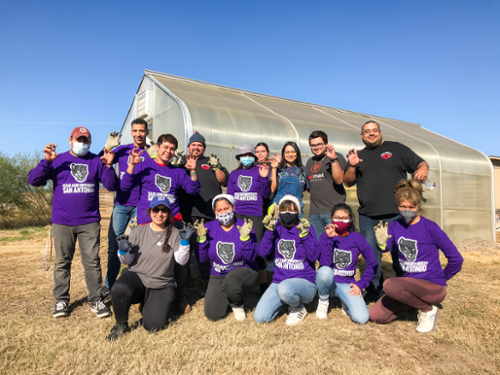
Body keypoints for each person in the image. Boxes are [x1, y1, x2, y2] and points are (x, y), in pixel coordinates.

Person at [28, 127, 116, 318]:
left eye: (85, 140)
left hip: (89, 222)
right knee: (62, 263)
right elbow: (33, 180)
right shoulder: (57, 160)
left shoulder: (95, 160)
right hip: (62, 222)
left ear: (90, 143)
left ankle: (96, 300)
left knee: (92, 263)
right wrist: (46, 162)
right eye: (79, 139)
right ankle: (61, 301)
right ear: (70, 140)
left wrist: (109, 166)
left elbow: (110, 185)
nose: (82, 143)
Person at [343, 120, 429, 302]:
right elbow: (348, 181)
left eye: (374, 130)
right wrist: (352, 165)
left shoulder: (396, 149)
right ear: (362, 135)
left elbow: (420, 163)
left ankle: (407, 291)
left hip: (397, 214)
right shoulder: (359, 156)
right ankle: (374, 290)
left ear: (380, 132)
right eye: (367, 131)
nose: (371, 134)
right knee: (371, 255)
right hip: (368, 215)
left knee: (402, 253)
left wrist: (423, 169)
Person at [369, 179, 463, 332]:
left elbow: (456, 258)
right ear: (397, 205)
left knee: (389, 285)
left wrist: (442, 278)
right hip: (407, 285)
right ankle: (412, 302)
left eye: (412, 207)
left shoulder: (430, 227)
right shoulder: (394, 226)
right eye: (403, 206)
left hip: (432, 285)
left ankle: (427, 309)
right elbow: (385, 249)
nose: (407, 210)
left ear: (418, 205)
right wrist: (380, 242)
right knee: (376, 316)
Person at [121, 133, 201, 310]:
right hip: (147, 222)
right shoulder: (145, 166)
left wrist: (193, 171)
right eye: (165, 147)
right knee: (141, 259)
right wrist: (132, 165)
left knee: (180, 261)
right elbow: (126, 185)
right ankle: (141, 293)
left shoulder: (178, 172)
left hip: (173, 221)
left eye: (172, 148)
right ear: (157, 147)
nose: (169, 151)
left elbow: (193, 190)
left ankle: (180, 296)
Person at [106, 197, 192, 341]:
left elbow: (181, 260)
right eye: (156, 210)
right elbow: (128, 261)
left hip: (161, 283)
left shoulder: (176, 233)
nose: (159, 213)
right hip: (138, 277)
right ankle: (121, 325)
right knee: (119, 288)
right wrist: (122, 252)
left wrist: (185, 243)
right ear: (150, 211)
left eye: (163, 210)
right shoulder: (138, 231)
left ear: (169, 213)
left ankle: (151, 303)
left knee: (153, 326)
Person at [99, 118, 154, 299]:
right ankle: (109, 284)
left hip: (140, 207)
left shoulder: (149, 153)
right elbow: (101, 160)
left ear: (146, 132)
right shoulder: (122, 150)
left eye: (142, 130)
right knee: (114, 244)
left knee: (138, 246)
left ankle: (138, 283)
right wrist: (108, 146)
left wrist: (156, 156)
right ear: (131, 132)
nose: (139, 134)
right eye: (135, 130)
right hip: (121, 205)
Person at [254, 195, 319, 326]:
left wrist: (305, 236)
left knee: (284, 289)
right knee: (260, 317)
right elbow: (263, 253)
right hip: (280, 281)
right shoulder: (276, 227)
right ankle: (287, 301)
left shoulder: (305, 227)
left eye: (291, 210)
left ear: (298, 213)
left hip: (304, 282)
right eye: (284, 209)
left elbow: (314, 257)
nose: (287, 213)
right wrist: (269, 232)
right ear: (279, 212)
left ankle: (297, 308)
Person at [194, 194, 258, 321]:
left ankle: (237, 304)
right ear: (214, 212)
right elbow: (202, 259)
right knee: (212, 314)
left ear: (233, 208)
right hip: (218, 273)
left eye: (226, 208)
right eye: (219, 210)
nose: (223, 212)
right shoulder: (208, 228)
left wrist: (245, 239)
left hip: (243, 270)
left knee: (232, 281)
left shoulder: (244, 226)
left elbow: (252, 258)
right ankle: (229, 295)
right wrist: (201, 241)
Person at [178, 132, 229, 281]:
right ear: (188, 147)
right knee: (186, 248)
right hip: (188, 213)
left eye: (199, 145)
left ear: (204, 148)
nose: (196, 147)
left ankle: (208, 280)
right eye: (193, 145)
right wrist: (177, 166)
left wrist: (216, 167)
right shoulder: (182, 163)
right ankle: (184, 280)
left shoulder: (211, 162)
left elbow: (223, 180)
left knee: (207, 249)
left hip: (209, 214)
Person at [315, 203, 377, 324]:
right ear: (332, 218)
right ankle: (323, 301)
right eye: (337, 217)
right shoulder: (325, 236)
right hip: (329, 282)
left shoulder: (357, 238)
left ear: (351, 220)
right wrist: (329, 239)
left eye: (344, 218)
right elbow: (324, 262)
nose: (340, 221)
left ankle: (345, 301)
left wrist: (361, 283)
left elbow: (372, 262)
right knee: (324, 272)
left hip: (347, 284)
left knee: (362, 318)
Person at [227, 143, 270, 293]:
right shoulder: (234, 174)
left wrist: (265, 179)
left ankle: (263, 282)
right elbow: (230, 196)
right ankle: (239, 279)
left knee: (258, 247)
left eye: (249, 155)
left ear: (253, 157)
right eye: (243, 156)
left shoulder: (260, 171)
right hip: (238, 213)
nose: (246, 158)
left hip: (255, 214)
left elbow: (266, 195)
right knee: (238, 246)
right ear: (239, 158)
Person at [306, 130, 346, 238]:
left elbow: (339, 180)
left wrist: (333, 160)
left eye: (319, 144)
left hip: (333, 212)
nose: (316, 147)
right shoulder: (310, 161)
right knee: (319, 246)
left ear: (326, 144)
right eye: (313, 145)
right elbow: (310, 187)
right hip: (315, 213)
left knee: (336, 245)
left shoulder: (337, 157)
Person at [269, 141, 308, 218]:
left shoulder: (303, 170)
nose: (290, 154)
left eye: (293, 151)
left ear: (297, 153)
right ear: (283, 154)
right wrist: (274, 168)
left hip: (297, 209)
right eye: (287, 152)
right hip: (278, 207)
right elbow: (272, 188)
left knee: (296, 229)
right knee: (278, 229)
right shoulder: (278, 168)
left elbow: (305, 189)